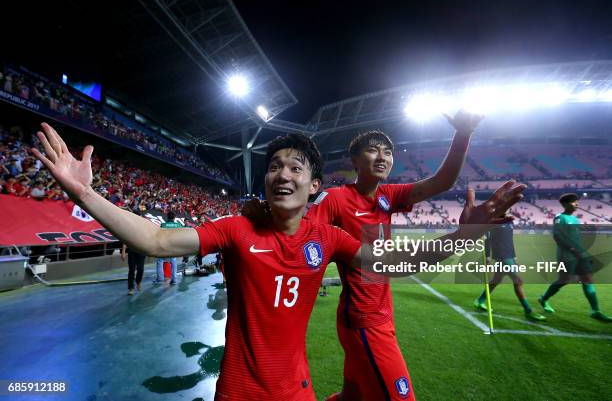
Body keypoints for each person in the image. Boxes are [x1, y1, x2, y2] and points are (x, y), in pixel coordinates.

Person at [31, 122, 523, 400]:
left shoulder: (328, 238)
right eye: (273, 167)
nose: (281, 174)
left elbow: (393, 263)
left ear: (314, 186)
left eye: (295, 167)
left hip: (297, 391)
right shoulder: (237, 230)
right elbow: (157, 241)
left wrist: (467, 232)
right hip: (241, 393)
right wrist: (85, 192)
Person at [246, 111, 482, 401]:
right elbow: (302, 232)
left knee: (353, 397)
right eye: (372, 150)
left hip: (383, 314)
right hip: (364, 320)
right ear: (354, 161)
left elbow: (441, 182)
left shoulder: (389, 196)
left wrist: (463, 135)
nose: (382, 156)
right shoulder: (336, 199)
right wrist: (264, 218)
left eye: (388, 152)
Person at [538, 193, 611, 322]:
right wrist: (572, 250)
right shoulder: (560, 218)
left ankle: (595, 310)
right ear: (565, 204)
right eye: (573, 202)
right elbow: (557, 237)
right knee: (564, 280)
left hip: (579, 254)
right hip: (566, 255)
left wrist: (584, 253)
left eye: (577, 201)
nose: (577, 204)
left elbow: (576, 239)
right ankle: (543, 299)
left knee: (587, 279)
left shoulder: (576, 219)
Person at [473, 217, 546, 321]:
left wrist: (514, 257)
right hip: (502, 256)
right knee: (518, 281)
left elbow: (510, 240)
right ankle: (528, 311)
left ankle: (480, 301)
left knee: (496, 280)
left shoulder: (510, 221)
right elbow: (488, 240)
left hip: (509, 255)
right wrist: (487, 257)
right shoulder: (494, 221)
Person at [155, 211, 182, 285]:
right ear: (174, 217)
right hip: (174, 246)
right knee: (173, 261)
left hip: (164, 246)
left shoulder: (163, 225)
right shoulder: (178, 225)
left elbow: (159, 235)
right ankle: (174, 280)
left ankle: (160, 279)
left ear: (167, 217)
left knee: (160, 261)